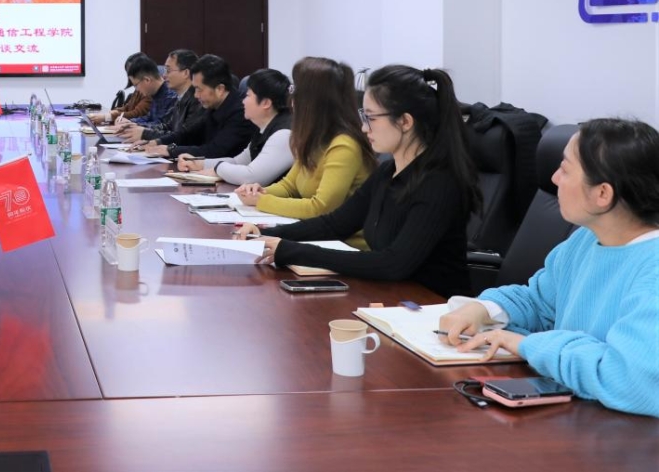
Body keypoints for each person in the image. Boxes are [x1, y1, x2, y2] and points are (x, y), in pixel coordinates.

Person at [438, 118, 659, 417]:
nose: (554, 178)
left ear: (602, 194)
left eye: (565, 169)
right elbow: (540, 301)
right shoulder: (585, 239)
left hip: (626, 432)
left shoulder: (653, 270)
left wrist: (530, 345)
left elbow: (631, 381)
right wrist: (485, 309)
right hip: (575, 411)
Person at [244, 65, 480, 298]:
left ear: (405, 122)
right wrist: (266, 233)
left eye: (371, 118)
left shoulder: (439, 183)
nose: (364, 128)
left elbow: (393, 263)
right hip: (391, 296)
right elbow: (336, 224)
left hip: (433, 306)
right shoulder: (387, 172)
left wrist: (292, 250)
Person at [235, 57, 374, 225]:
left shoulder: (344, 145)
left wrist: (261, 201)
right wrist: (259, 191)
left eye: (296, 89)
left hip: (341, 238)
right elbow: (289, 186)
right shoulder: (315, 137)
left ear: (313, 100)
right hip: (312, 230)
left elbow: (321, 208)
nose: (292, 98)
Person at [178, 68, 293, 186]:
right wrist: (199, 164)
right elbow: (238, 162)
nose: (243, 101)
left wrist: (217, 169)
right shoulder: (263, 128)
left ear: (266, 103)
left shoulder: (284, 134)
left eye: (248, 95)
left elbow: (252, 176)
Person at [143, 54, 256, 159]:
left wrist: (170, 150)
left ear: (220, 89)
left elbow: (215, 150)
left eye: (199, 89)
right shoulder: (214, 105)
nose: (196, 95)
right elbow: (189, 133)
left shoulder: (241, 113)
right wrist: (158, 142)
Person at [122, 49, 202, 144]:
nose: (164, 75)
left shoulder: (197, 100)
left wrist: (145, 134)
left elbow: (183, 137)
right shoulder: (181, 98)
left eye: (168, 70)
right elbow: (168, 126)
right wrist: (138, 128)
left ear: (186, 73)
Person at [115, 55, 178, 134]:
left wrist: (134, 125)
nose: (136, 90)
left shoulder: (171, 96)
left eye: (136, 85)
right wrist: (130, 122)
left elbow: (162, 126)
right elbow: (148, 117)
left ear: (147, 80)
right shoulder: (155, 93)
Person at [89, 52, 151, 124]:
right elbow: (127, 107)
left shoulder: (150, 90)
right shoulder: (138, 88)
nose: (129, 75)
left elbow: (136, 114)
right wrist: (114, 112)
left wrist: (107, 117)